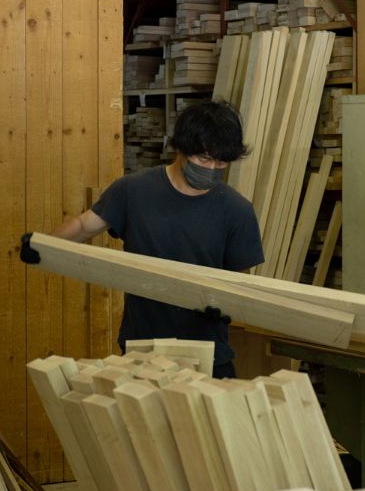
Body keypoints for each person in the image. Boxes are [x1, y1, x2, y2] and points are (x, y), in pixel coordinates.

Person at [24, 100, 263, 378]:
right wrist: (44, 246)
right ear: (181, 148)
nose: (211, 168)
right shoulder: (134, 190)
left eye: (220, 162)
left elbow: (241, 282)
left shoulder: (237, 210)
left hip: (208, 357)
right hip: (141, 351)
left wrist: (225, 305)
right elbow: (84, 225)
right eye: (203, 159)